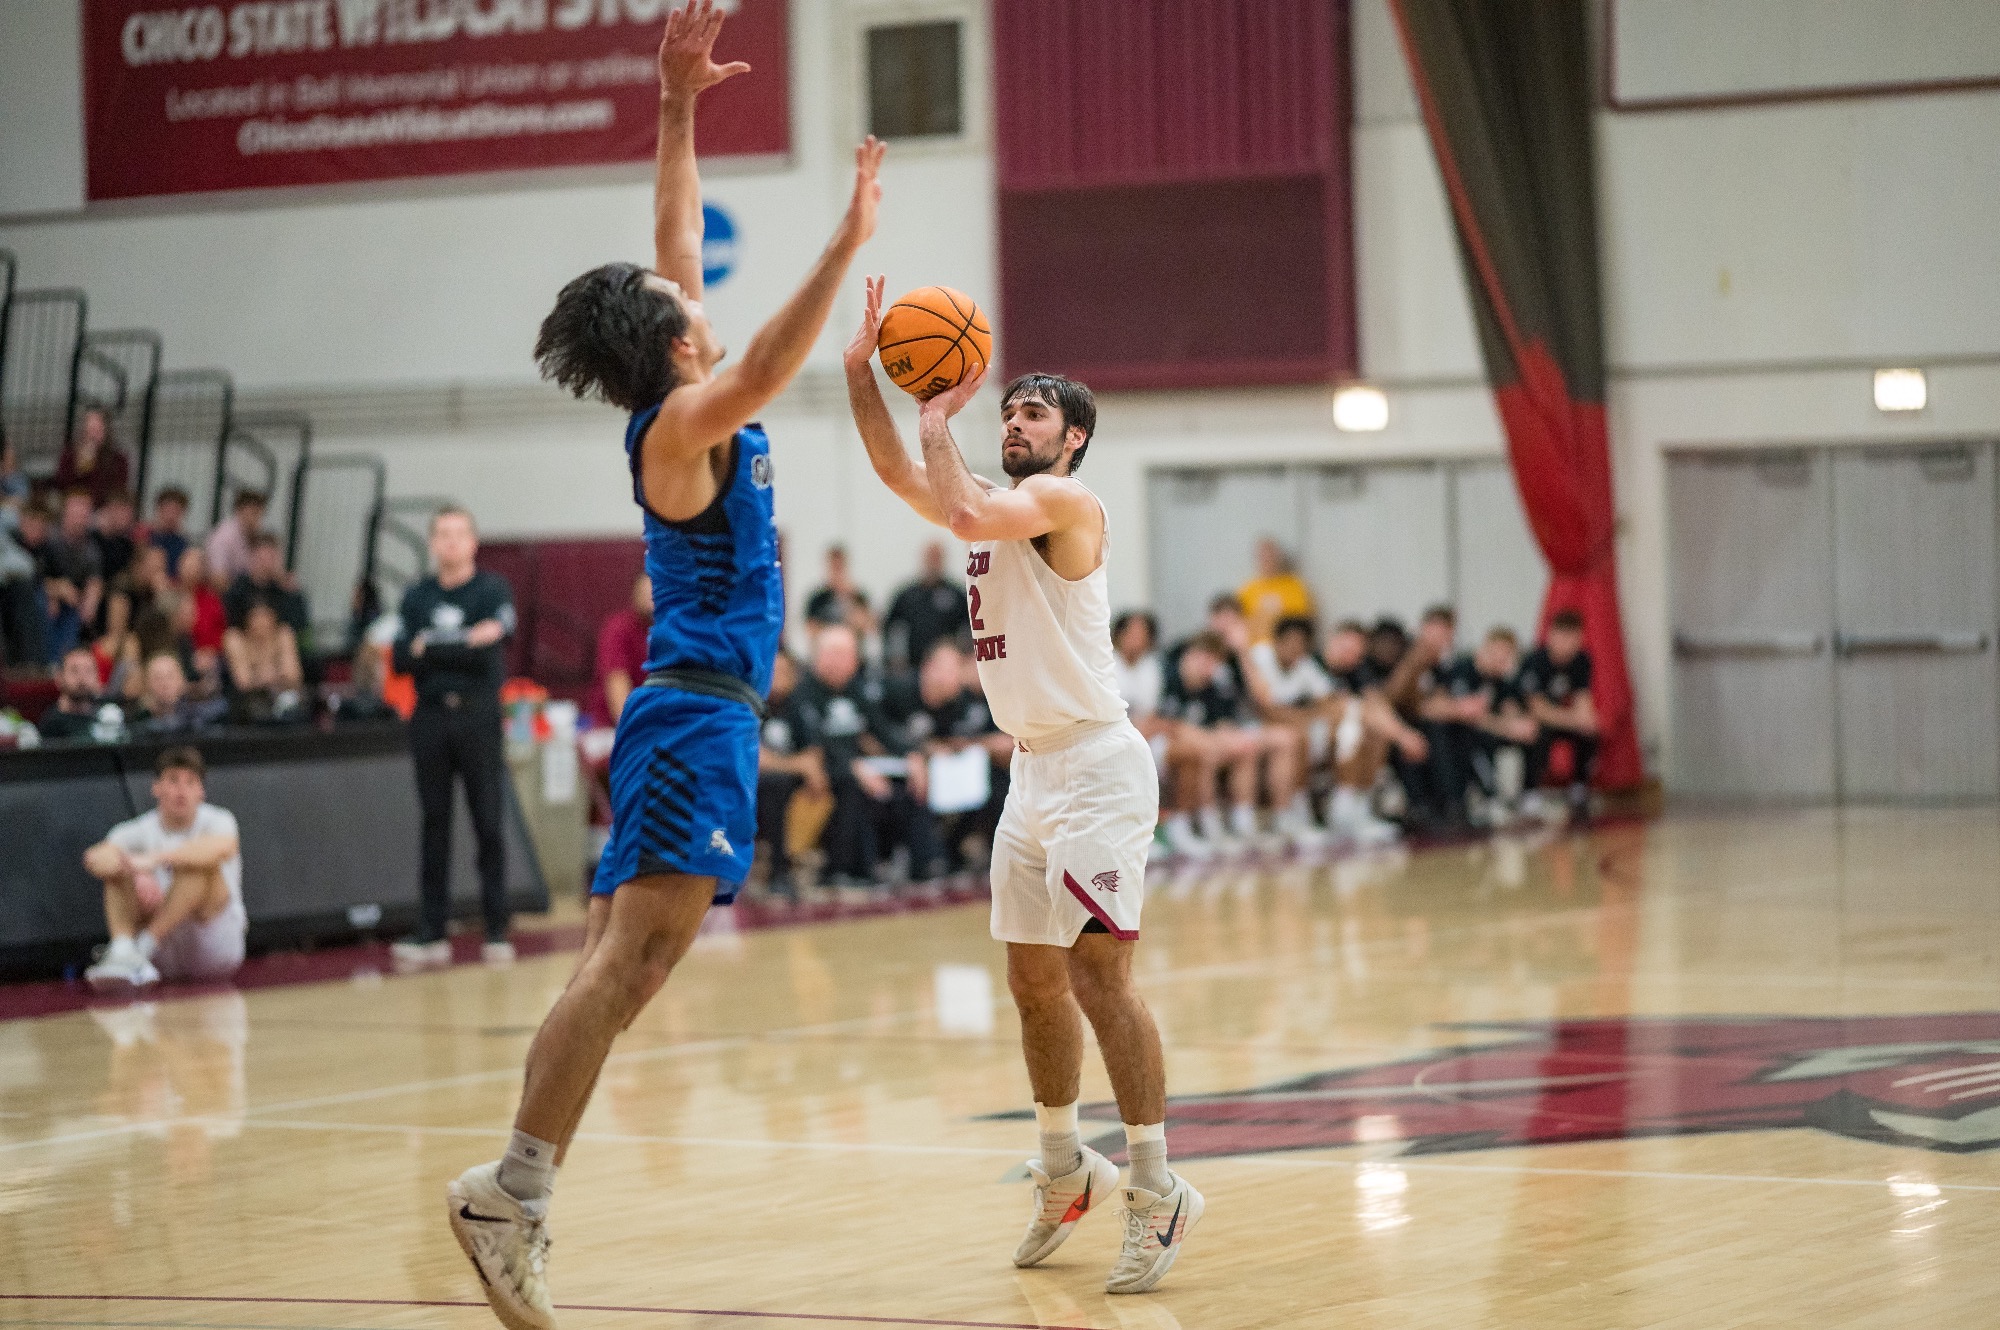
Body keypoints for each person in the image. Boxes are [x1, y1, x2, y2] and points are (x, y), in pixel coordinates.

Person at [442, 10, 885, 1327]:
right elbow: (766, 357)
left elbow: (676, 244)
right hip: (695, 718)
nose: (688, 286)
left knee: (614, 966)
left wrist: (677, 106)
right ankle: (510, 1194)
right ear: (673, 339)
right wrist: (844, 245)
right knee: (626, 967)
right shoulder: (691, 412)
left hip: (696, 715)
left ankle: (513, 1189)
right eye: (677, 301)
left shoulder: (676, 383)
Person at [847, 268, 1202, 1293]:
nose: (1013, 421)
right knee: (1031, 985)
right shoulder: (997, 502)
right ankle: (1061, 1168)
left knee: (1100, 982)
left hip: (1096, 764)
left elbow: (952, 503)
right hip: (1031, 771)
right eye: (1005, 409)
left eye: (1032, 411)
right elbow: (891, 470)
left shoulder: (1060, 501)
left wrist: (935, 418)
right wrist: (858, 371)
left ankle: (1156, 1184)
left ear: (1072, 437)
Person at [390, 507, 518, 967]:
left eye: (458, 534)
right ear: (431, 544)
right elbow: (402, 657)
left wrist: (436, 646)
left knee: (488, 820)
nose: (450, 542)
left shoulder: (491, 589)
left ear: (473, 542)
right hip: (429, 718)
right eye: (441, 534)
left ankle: (497, 928)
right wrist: (461, 643)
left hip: (478, 716)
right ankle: (432, 931)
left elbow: (494, 638)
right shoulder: (416, 596)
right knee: (434, 823)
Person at [790, 622, 940, 890]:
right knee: (852, 785)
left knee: (910, 778)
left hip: (863, 766)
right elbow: (812, 744)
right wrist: (853, 766)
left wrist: (912, 755)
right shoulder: (804, 693)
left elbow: (881, 729)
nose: (852, 661)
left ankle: (924, 862)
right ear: (824, 656)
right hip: (823, 771)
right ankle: (849, 869)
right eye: (844, 654)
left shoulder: (856, 690)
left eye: (852, 654)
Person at [81, 747, 245, 990]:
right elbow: (95, 858)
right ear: (156, 787)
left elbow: (222, 848)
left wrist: (154, 860)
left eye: (190, 782)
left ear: (201, 791)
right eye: (173, 780)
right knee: (115, 870)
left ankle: (143, 946)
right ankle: (125, 952)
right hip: (161, 960)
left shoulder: (220, 820)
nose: (181, 791)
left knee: (197, 866)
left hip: (212, 949)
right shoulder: (137, 829)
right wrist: (134, 872)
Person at [754, 651, 828, 897]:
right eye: (774, 671)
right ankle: (778, 871)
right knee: (775, 784)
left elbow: (814, 753)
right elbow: (758, 759)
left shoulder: (798, 705)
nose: (780, 677)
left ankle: (836, 865)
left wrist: (811, 769)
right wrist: (797, 765)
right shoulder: (751, 705)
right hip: (754, 787)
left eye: (786, 672)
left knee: (836, 782)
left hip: (788, 783)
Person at [1519, 608, 1599, 820]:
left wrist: (1586, 718)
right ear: (1551, 636)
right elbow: (1537, 709)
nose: (1567, 644)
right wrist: (1574, 719)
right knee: (1538, 731)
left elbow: (1583, 698)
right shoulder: (1535, 661)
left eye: (1573, 638)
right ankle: (1530, 791)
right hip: (1534, 720)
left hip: (1563, 718)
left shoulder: (1582, 661)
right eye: (1563, 637)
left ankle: (1579, 786)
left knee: (1590, 730)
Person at [883, 540, 967, 672]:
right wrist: (896, 658)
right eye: (930, 557)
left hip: (947, 667)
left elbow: (969, 628)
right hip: (912, 667)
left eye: (937, 557)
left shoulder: (956, 595)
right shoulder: (906, 595)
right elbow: (890, 627)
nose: (934, 562)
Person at [41, 492, 104, 662]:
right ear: (65, 514)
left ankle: (64, 662)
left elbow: (94, 580)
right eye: (75, 514)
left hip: (72, 600)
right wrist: (55, 590)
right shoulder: (48, 538)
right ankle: (46, 662)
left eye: (84, 515)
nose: (79, 519)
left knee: (78, 608)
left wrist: (90, 603)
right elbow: (36, 575)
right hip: (43, 592)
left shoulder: (91, 548)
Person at [223, 598, 305, 721]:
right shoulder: (234, 637)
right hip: (247, 702)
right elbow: (243, 682)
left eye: (266, 616)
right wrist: (269, 676)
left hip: (280, 696)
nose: (262, 622)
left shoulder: (283, 633)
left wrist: (265, 677)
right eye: (256, 616)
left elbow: (294, 675)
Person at [224, 533, 309, 640]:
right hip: (247, 640)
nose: (266, 562)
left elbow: (299, 624)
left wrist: (291, 592)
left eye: (271, 557)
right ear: (253, 557)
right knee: (233, 637)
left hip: (274, 642)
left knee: (285, 635)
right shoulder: (240, 588)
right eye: (262, 557)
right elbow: (230, 620)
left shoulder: (282, 589)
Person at [593, 571, 652, 725]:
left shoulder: (675, 631)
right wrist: (632, 729)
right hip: (613, 728)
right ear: (634, 595)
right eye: (644, 593)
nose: (650, 600)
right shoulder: (619, 628)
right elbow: (617, 687)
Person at [1236, 537, 1313, 642]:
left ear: (1279, 558)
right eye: (1263, 557)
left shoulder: (1295, 587)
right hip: (1254, 649)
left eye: (1271, 556)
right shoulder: (1247, 589)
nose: (1267, 560)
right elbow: (1239, 624)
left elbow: (1301, 625)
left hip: (1284, 649)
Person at [54, 408, 133, 509]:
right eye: (89, 430)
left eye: (97, 430)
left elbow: (118, 491)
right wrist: (79, 469)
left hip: (103, 511)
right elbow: (61, 485)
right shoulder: (70, 455)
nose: (92, 435)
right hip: (74, 509)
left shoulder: (118, 459)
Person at [130, 652, 226, 735]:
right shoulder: (136, 723)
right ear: (146, 684)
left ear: (183, 681)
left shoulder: (203, 718)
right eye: (157, 678)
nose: (165, 684)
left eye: (170, 676)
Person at [803, 543, 876, 639]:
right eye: (834, 567)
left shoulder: (858, 596)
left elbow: (871, 626)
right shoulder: (817, 599)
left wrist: (848, 599)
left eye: (839, 567)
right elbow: (810, 629)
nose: (837, 572)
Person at [37, 646, 107, 743]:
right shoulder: (51, 724)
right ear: (59, 678)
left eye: (88, 671)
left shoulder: (106, 718)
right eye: (74, 671)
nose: (82, 678)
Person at [203, 489, 267, 590]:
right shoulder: (223, 537)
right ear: (240, 510)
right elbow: (218, 579)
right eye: (254, 513)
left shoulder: (253, 538)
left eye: (260, 514)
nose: (258, 519)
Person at [149, 487, 193, 574]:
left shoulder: (183, 543)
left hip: (177, 583)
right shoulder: (147, 537)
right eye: (168, 509)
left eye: (176, 510)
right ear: (159, 509)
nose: (171, 516)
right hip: (149, 582)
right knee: (156, 557)